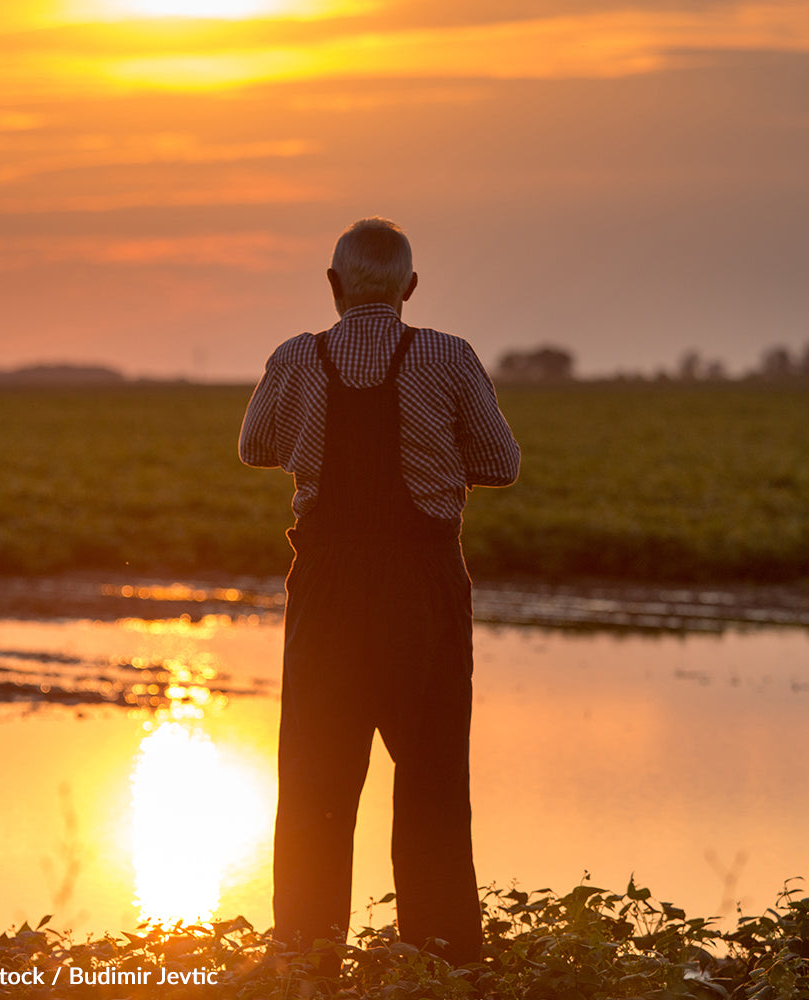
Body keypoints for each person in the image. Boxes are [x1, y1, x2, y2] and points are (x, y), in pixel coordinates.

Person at [238, 217, 520, 967]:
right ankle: (444, 961)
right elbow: (502, 461)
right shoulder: (449, 356)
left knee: (312, 783)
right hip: (423, 590)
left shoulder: (296, 358)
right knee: (431, 781)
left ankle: (305, 958)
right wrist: (440, 455)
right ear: (412, 288)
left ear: (332, 289)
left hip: (326, 591)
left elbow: (254, 447)